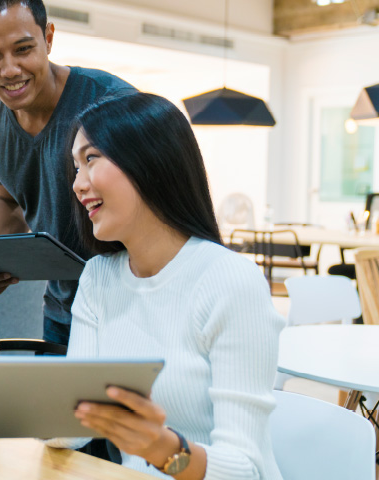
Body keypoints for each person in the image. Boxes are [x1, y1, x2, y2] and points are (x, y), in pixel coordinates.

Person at [47, 91, 283, 479]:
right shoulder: (98, 278)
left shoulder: (230, 281)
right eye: (75, 167)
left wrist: (164, 449)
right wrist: (21, 406)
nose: (77, 184)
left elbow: (247, 469)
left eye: (90, 159)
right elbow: (74, 425)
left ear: (149, 161)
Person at [0, 0, 134, 346]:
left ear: (49, 38)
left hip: (128, 308)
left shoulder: (111, 104)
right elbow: (8, 198)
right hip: (61, 313)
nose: (9, 69)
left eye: (23, 49)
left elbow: (153, 209)